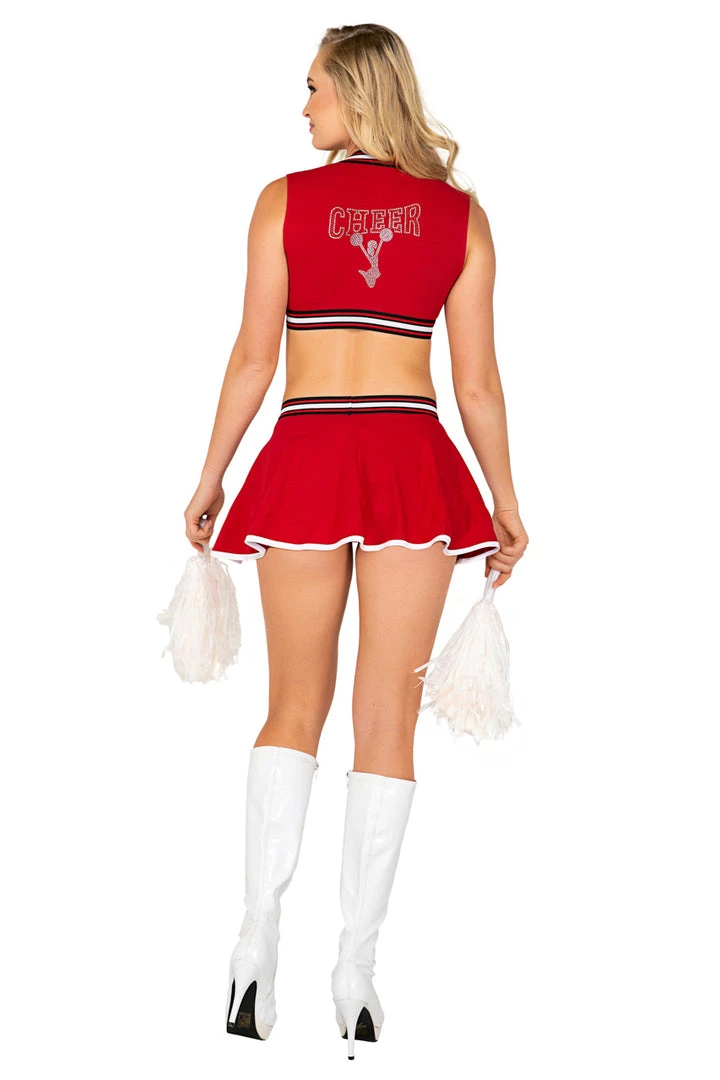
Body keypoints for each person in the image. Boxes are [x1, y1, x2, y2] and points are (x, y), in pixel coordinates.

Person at [183, 22, 529, 1058]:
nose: (303, 107)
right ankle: (357, 975)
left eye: (314, 88)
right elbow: (475, 384)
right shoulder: (461, 219)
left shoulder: (282, 203)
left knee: (292, 705)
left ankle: (254, 952)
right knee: (388, 720)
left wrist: (211, 477)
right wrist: (506, 500)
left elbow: (254, 358)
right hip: (411, 463)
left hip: (306, 455)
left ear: (357, 92)